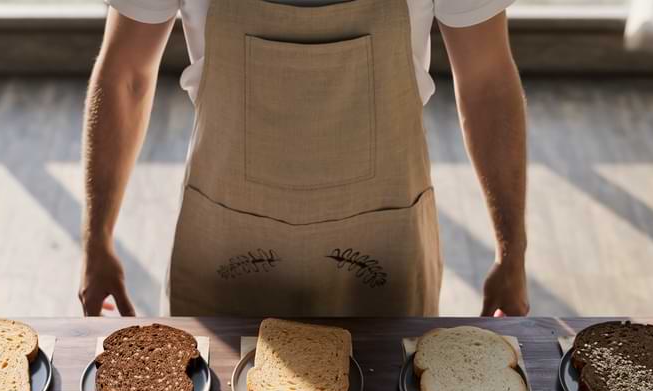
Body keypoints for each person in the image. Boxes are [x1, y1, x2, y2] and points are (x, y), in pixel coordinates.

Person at [79, 0, 529, 318]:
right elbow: (124, 77)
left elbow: (488, 82)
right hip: (225, 248)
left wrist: (512, 251)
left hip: (384, 253)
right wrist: (95, 238)